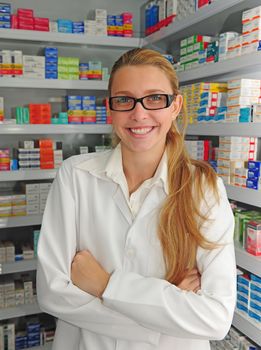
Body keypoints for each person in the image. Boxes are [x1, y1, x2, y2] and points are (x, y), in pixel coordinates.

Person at [37, 48, 237, 350]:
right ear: (110, 108)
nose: (139, 113)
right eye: (124, 99)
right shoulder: (76, 176)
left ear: (176, 106)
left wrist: (105, 286)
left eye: (155, 98)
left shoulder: (204, 189)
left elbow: (216, 318)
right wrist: (165, 315)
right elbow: (52, 293)